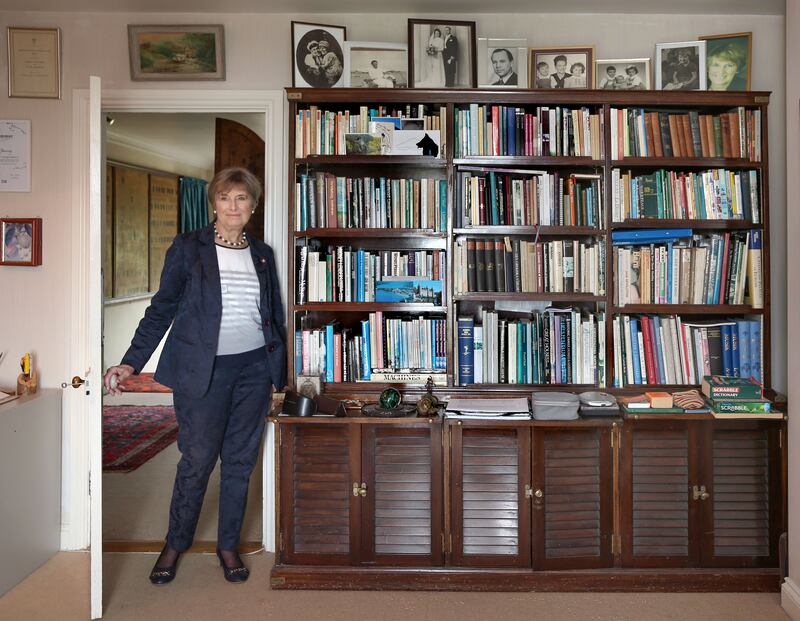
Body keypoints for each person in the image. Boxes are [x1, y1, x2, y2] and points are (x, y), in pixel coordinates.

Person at [103, 167, 287, 586]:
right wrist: (131, 361)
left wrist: (279, 374)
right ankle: (175, 542)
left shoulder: (262, 253)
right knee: (198, 460)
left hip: (254, 370)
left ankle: (227, 545)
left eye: (242, 198)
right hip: (202, 372)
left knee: (240, 462)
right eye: (225, 198)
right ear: (214, 204)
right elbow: (162, 308)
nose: (233, 206)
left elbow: (273, 316)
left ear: (253, 206)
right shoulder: (189, 248)